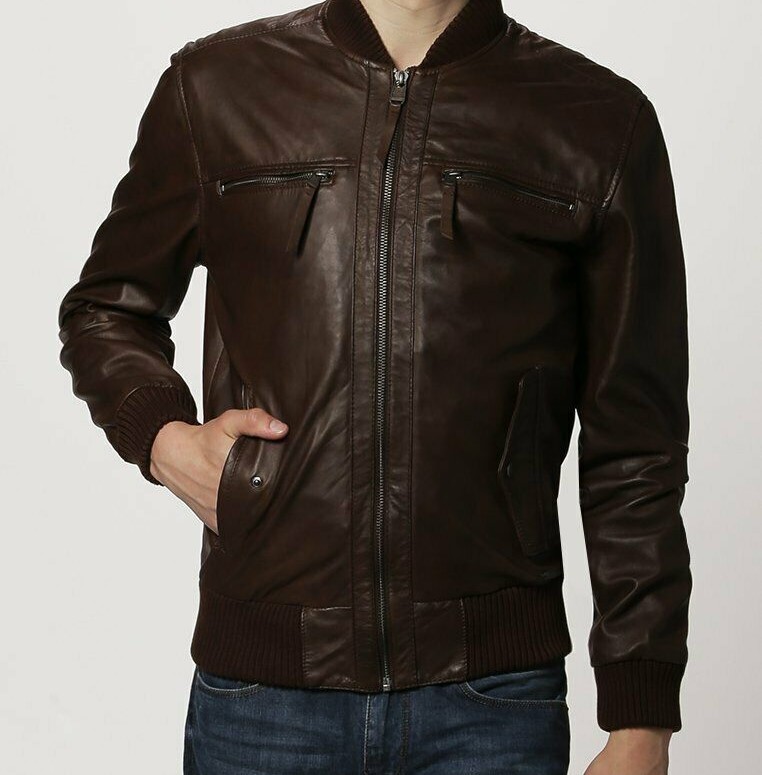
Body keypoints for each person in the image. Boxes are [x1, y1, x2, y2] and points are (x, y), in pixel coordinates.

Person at [57, 1, 692, 773]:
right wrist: (164, 440)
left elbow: (636, 447)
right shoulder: (217, 87)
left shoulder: (597, 121)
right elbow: (105, 310)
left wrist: (640, 719)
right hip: (262, 700)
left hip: (490, 703)